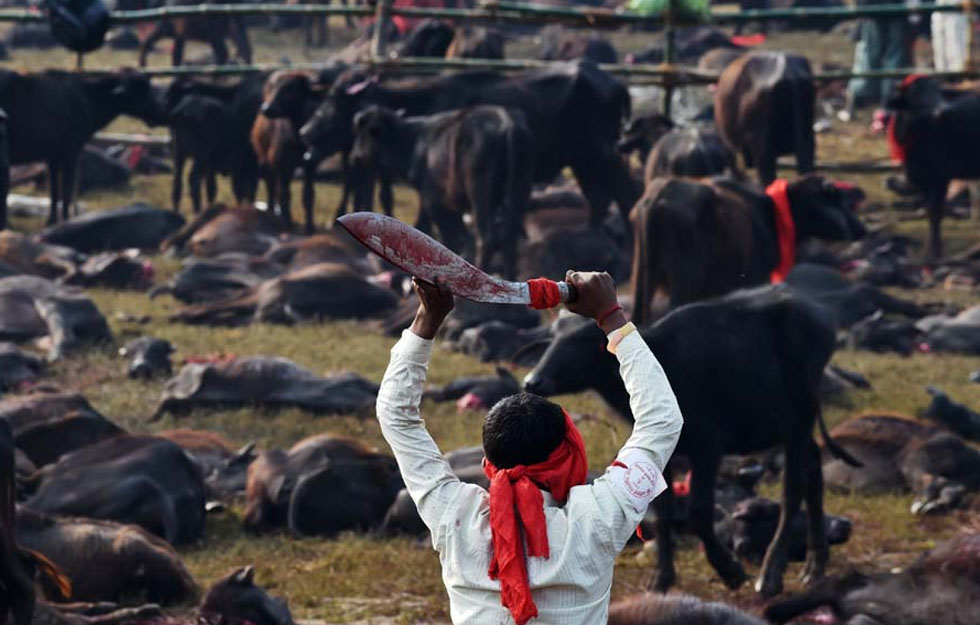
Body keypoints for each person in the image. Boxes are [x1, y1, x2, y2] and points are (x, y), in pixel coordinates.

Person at [375, 271, 684, 624]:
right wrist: (611, 317)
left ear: (488, 462)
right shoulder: (598, 515)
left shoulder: (454, 515)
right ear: (567, 455)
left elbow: (395, 415)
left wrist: (426, 319)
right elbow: (661, 419)